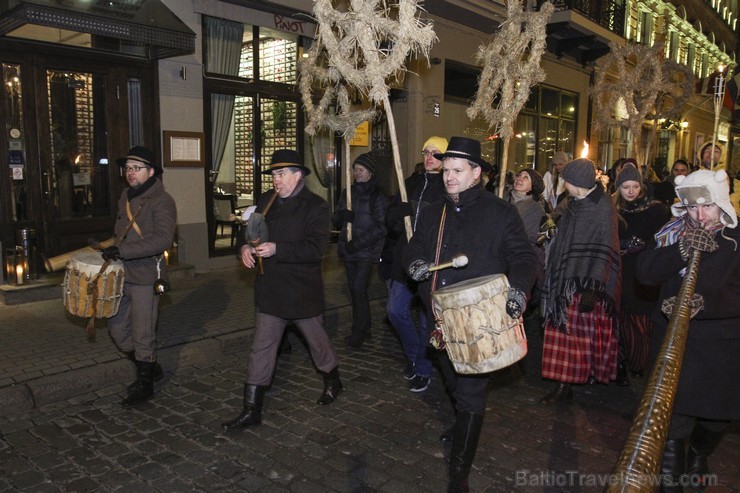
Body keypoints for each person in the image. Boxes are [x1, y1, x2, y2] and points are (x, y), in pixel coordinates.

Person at [403, 136, 536, 493]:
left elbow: (524, 258)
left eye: (457, 171)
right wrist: (414, 264)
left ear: (477, 173)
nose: (449, 177)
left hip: (478, 323)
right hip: (440, 321)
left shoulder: (500, 213)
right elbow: (415, 247)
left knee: (471, 393)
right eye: (446, 170)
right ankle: (462, 422)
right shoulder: (434, 210)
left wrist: (519, 292)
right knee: (450, 378)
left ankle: (458, 474)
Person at [222, 149, 342, 431]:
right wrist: (244, 248)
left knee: (317, 343)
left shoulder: (316, 206)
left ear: (299, 175)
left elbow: (316, 249)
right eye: (274, 174)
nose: (277, 180)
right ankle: (251, 409)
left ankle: (333, 379)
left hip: (301, 289)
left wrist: (278, 248)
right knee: (261, 349)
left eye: (282, 174)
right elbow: (249, 230)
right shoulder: (266, 200)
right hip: (271, 290)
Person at [637, 169, 739, 492]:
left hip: (716, 348)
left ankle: (699, 451)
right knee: (672, 421)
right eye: (692, 207)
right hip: (672, 343)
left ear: (720, 204)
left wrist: (704, 305)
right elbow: (646, 273)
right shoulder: (673, 232)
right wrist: (679, 250)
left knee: (716, 419)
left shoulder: (735, 241)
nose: (699, 215)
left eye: (706, 207)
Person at [540, 158, 622, 404]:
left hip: (586, 283)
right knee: (563, 333)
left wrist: (593, 287)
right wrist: (552, 224)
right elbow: (558, 218)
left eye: (568, 181)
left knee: (579, 336)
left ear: (580, 183)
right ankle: (564, 383)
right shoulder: (574, 203)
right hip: (564, 279)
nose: (564, 184)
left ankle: (578, 378)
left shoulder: (601, 208)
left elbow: (606, 248)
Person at [102, 146, 177, 408]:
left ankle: (145, 384)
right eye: (127, 168)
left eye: (136, 168)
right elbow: (120, 231)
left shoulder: (162, 200)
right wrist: (111, 250)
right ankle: (151, 367)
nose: (129, 172)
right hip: (122, 273)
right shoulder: (125, 195)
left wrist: (122, 250)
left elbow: (162, 240)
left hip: (146, 275)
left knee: (143, 332)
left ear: (151, 171)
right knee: (117, 328)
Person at [385, 136, 448, 392]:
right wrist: (397, 215)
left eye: (435, 153)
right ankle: (413, 354)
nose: (429, 157)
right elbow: (389, 221)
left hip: (432, 264)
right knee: (395, 310)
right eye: (426, 152)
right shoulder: (408, 183)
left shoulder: (447, 188)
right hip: (406, 260)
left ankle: (422, 367)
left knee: (427, 321)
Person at [612, 163, 671, 382]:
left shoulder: (655, 209)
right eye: (625, 186)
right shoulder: (613, 208)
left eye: (635, 186)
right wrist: (621, 244)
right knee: (618, 316)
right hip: (619, 268)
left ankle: (639, 362)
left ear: (641, 186)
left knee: (639, 318)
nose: (630, 191)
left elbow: (661, 240)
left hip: (642, 271)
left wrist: (644, 244)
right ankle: (618, 362)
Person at [332, 152, 389, 348]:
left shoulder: (377, 196)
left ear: (370, 173)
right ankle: (365, 328)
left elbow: (381, 227)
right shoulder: (347, 192)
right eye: (355, 169)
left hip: (366, 252)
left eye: (361, 170)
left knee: (358, 289)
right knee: (357, 292)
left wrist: (357, 243)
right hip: (348, 251)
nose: (357, 173)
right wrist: (343, 216)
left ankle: (358, 333)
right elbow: (336, 220)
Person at [505, 168, 548, 301]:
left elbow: (531, 236)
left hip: (519, 256)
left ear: (532, 186)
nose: (519, 179)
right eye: (519, 175)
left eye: (526, 177)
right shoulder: (502, 198)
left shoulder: (536, 208)